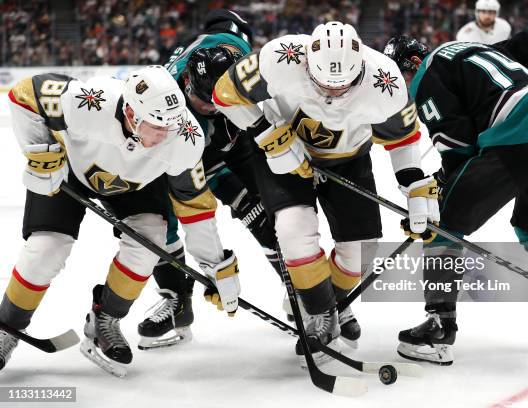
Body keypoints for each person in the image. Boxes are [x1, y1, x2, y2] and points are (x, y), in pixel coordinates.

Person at [384, 29, 528, 365]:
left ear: (413, 61)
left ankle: (439, 325)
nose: (400, 86)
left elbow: (458, 145)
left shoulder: (427, 74)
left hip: (522, 136)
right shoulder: (471, 48)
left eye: (398, 76)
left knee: (440, 222)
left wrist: (440, 192)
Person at [213, 21, 431, 365]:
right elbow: (225, 93)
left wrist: (416, 187)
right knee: (292, 229)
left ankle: (329, 303)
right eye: (322, 84)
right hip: (282, 150)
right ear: (306, 65)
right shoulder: (281, 57)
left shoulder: (384, 80)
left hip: (348, 158)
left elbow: (402, 138)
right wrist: (266, 133)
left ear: (360, 67)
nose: (332, 94)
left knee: (360, 252)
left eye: (343, 86)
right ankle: (321, 315)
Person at [0, 65, 240, 375]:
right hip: (69, 171)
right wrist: (40, 152)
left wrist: (215, 265)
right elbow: (23, 94)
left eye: (170, 125)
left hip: (136, 185)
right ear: (130, 111)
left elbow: (196, 208)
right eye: (155, 126)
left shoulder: (185, 137)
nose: (164, 135)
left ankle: (104, 320)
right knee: (46, 249)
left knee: (151, 241)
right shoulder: (91, 101)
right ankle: (6, 328)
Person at [136, 10, 284, 350]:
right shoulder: (169, 101)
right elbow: (197, 187)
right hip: (186, 147)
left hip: (236, 135)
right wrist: (217, 263)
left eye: (214, 102)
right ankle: (177, 300)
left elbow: (230, 28)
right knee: (160, 218)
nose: (209, 107)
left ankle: (305, 291)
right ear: (187, 82)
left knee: (271, 209)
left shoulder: (241, 68)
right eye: (203, 102)